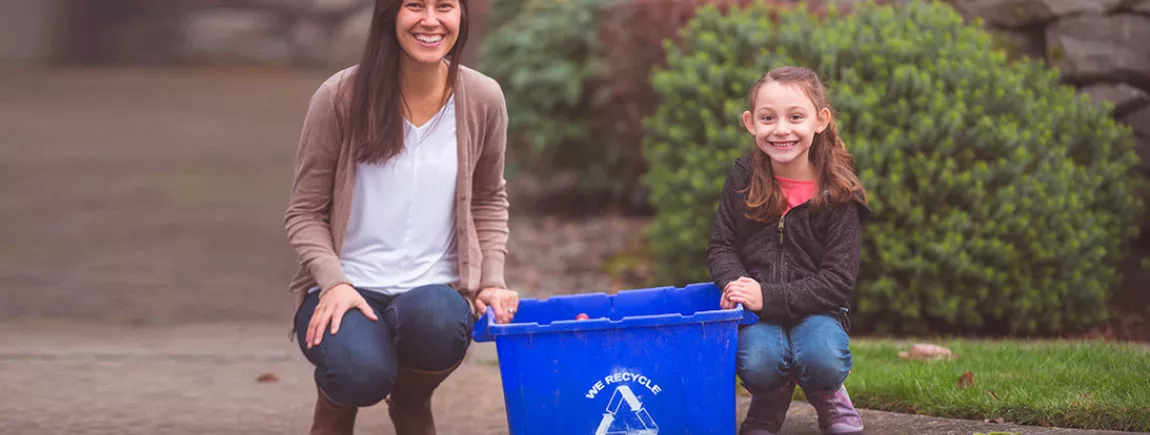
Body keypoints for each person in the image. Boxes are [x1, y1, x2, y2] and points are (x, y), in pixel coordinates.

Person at [282, 0, 520, 433]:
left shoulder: (482, 98)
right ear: (389, 15)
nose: (431, 20)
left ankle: (411, 402)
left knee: (439, 318)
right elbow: (304, 212)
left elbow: (488, 198)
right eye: (415, 6)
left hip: (434, 289)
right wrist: (333, 281)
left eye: (444, 6)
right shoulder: (341, 96)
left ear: (461, 16)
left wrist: (492, 280)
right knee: (359, 373)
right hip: (348, 288)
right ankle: (335, 406)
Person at [707, 66, 870, 435]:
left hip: (819, 311)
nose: (781, 129)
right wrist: (736, 284)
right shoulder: (743, 178)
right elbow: (722, 245)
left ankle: (829, 395)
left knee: (822, 356)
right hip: (757, 315)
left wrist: (769, 295)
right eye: (768, 118)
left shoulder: (839, 193)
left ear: (820, 120)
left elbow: (837, 281)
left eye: (795, 116)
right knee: (759, 359)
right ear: (750, 123)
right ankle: (770, 399)